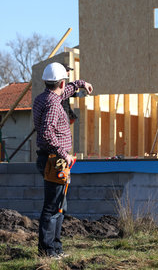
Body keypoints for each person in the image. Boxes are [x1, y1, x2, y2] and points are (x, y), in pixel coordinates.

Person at [33, 62, 93, 258]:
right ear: (60, 83)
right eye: (64, 83)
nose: (65, 86)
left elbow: (65, 92)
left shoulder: (44, 98)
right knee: (52, 208)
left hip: (51, 159)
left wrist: (80, 83)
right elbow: (46, 132)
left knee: (60, 205)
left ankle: (55, 248)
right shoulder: (52, 104)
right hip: (54, 160)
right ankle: (48, 251)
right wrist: (63, 153)